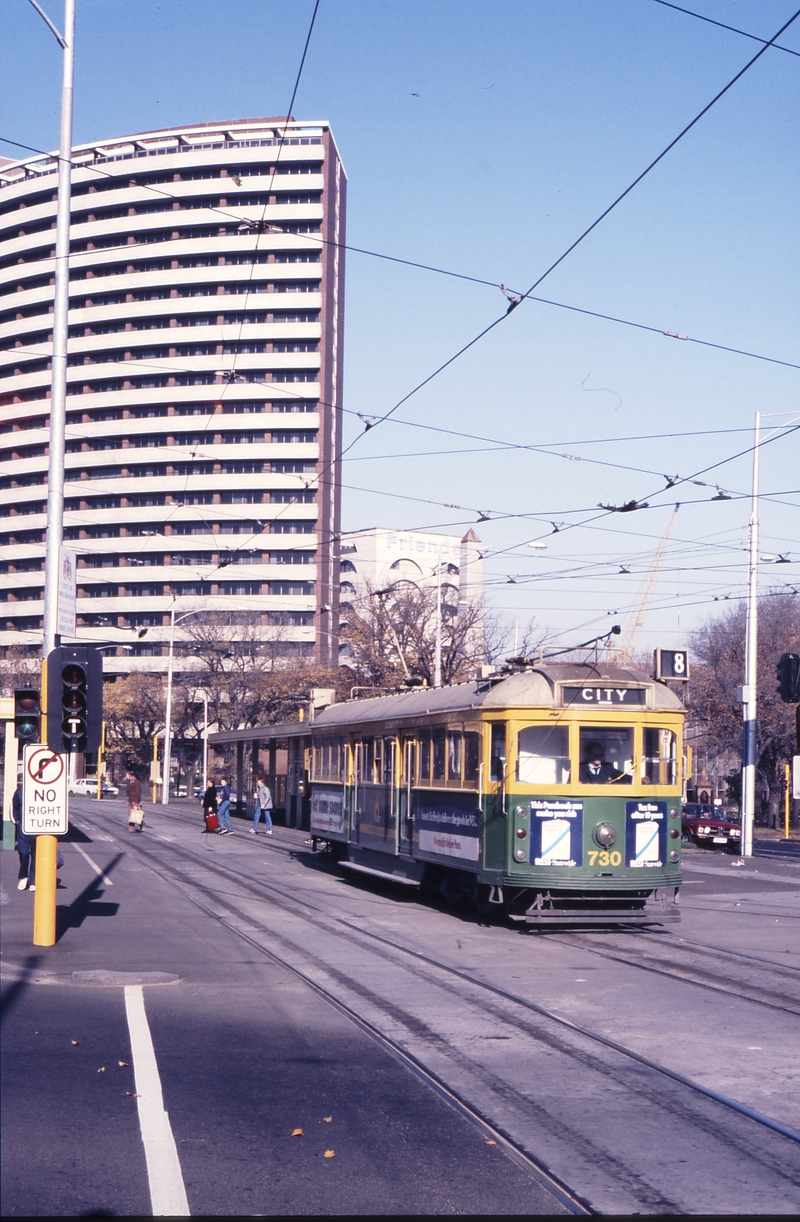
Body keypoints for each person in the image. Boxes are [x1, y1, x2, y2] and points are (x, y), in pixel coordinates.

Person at [10, 783, 34, 891]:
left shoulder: (41, 789)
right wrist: (17, 821)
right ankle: (24, 876)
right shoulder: (20, 791)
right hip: (23, 826)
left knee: (36, 853)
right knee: (23, 852)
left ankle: (34, 880)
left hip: (37, 826)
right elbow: (14, 806)